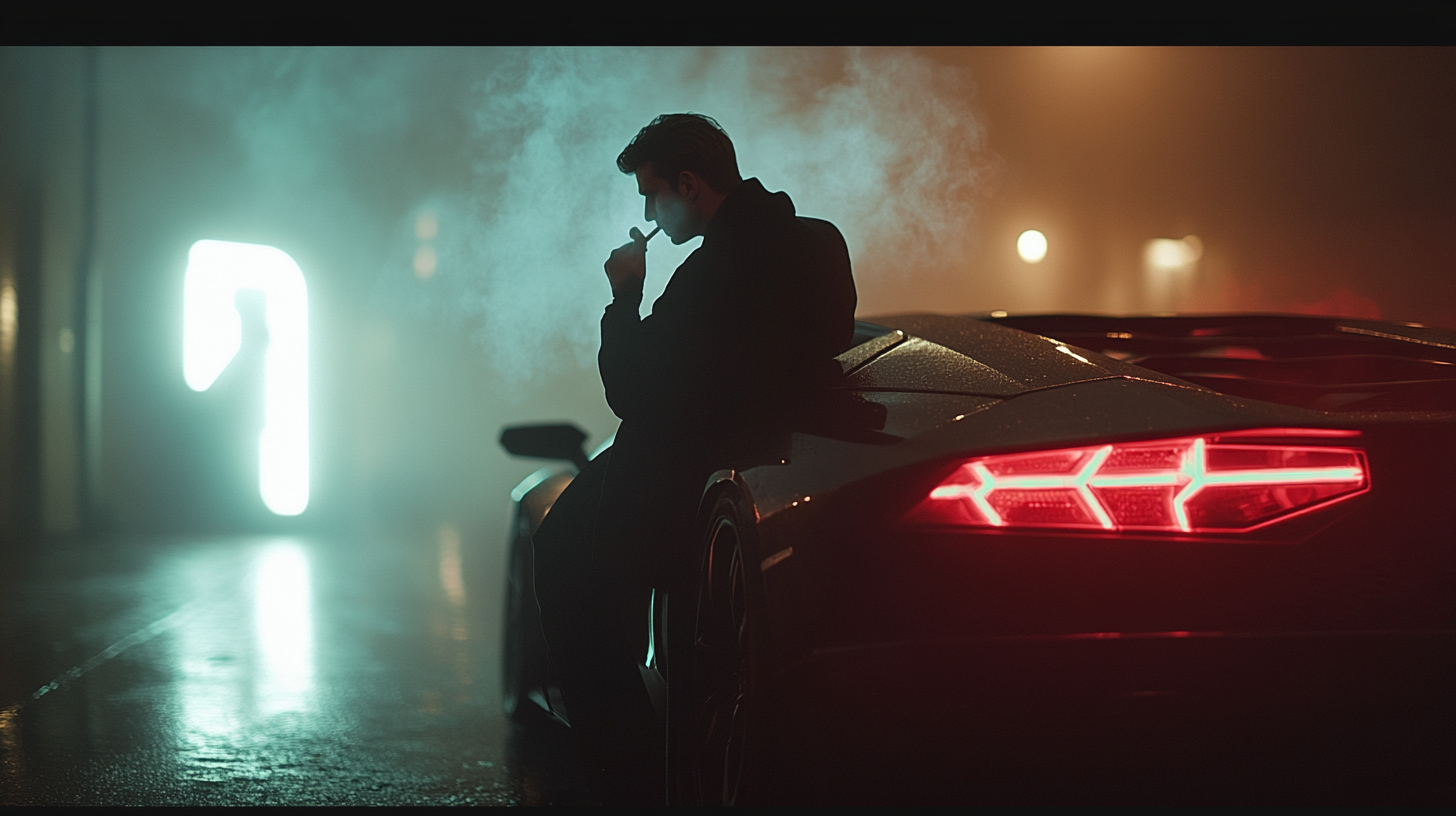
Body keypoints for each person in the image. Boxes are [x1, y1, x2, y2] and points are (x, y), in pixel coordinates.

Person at [531, 113, 856, 803]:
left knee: (563, 560)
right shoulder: (820, 243)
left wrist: (623, 297)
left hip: (677, 468)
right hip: (770, 458)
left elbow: (631, 389)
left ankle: (627, 777)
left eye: (653, 195)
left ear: (688, 184)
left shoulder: (709, 275)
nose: (649, 213)